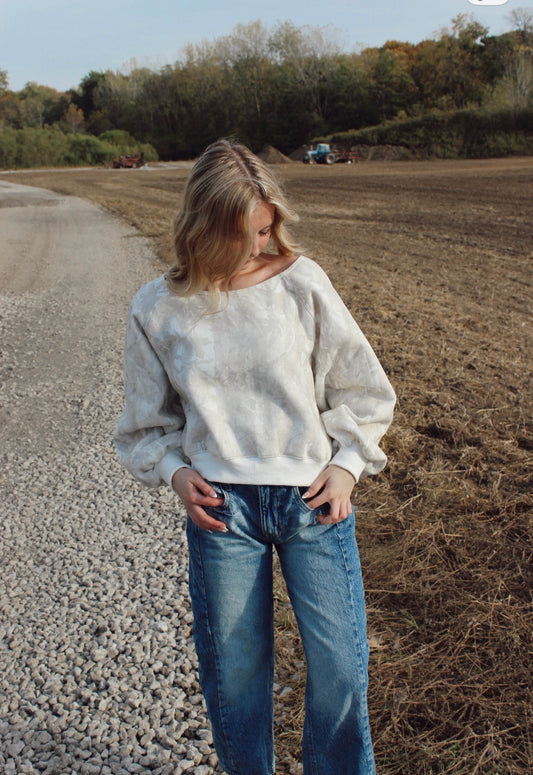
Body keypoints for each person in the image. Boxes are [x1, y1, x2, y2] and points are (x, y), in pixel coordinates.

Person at [114, 138, 396, 775]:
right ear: (203, 228)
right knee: (235, 680)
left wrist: (348, 464)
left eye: (267, 228)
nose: (262, 245)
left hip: (311, 504)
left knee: (343, 670)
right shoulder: (158, 308)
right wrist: (176, 472)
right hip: (222, 514)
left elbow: (364, 389)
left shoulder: (301, 281)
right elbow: (143, 427)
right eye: (245, 233)